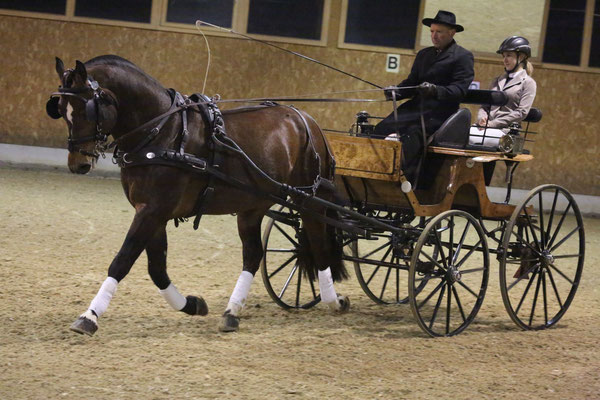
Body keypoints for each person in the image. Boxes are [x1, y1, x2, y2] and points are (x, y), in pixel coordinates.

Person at [374, 10, 474, 183]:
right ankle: (373, 172)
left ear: (452, 32)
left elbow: (459, 90)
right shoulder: (423, 55)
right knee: (380, 129)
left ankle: (406, 182)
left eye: (439, 32)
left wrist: (436, 90)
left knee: (412, 136)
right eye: (432, 32)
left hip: (441, 114)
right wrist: (396, 91)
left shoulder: (463, 57)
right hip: (415, 108)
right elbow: (412, 83)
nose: (434, 36)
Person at [470, 36, 537, 147]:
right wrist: (482, 118)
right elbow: (484, 106)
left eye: (509, 56)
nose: (505, 60)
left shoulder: (528, 83)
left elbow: (521, 112)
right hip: (486, 127)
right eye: (504, 56)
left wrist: (492, 124)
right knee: (464, 135)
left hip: (507, 131)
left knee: (478, 140)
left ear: (521, 57)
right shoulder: (497, 80)